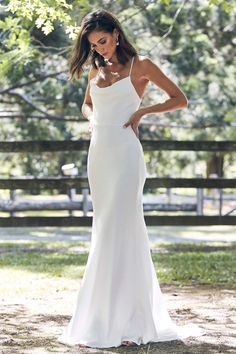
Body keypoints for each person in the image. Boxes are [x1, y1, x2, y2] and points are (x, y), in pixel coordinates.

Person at [57, 8, 205, 349]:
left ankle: (128, 320)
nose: (101, 49)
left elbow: (180, 100)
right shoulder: (96, 67)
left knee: (121, 228)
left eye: (104, 41)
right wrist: (92, 119)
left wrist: (141, 111)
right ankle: (102, 318)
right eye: (94, 45)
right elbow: (87, 105)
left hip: (125, 154)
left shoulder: (142, 65)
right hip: (99, 154)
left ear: (117, 34)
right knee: (104, 229)